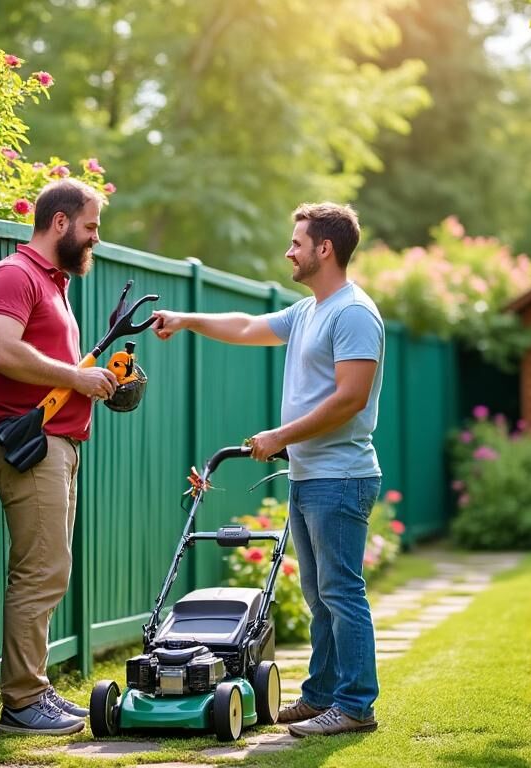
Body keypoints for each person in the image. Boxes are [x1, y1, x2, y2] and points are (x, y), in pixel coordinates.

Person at [151, 202, 384, 737]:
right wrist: (187, 320)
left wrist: (280, 436)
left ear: (324, 249)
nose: (289, 250)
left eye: (297, 242)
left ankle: (354, 706)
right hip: (310, 474)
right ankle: (322, 694)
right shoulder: (309, 311)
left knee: (342, 592)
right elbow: (248, 325)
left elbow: (351, 398)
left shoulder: (353, 313)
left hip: (341, 475)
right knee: (318, 595)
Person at [0, 179, 117, 735]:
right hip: (27, 447)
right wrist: (75, 376)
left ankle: (33, 689)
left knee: (48, 570)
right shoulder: (14, 276)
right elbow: (2, 350)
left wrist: (95, 383)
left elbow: (45, 361)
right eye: (90, 226)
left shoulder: (51, 283)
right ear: (60, 223)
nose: (94, 238)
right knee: (41, 572)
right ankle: (22, 702)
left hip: (55, 445)